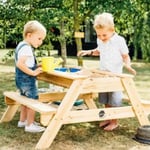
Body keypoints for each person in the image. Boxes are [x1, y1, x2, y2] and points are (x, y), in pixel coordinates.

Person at [78, 12, 136, 131]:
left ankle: (114, 122)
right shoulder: (100, 40)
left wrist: (128, 66)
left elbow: (125, 56)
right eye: (99, 35)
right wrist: (88, 52)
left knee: (114, 99)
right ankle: (107, 117)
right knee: (105, 97)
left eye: (104, 35)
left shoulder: (119, 40)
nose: (101, 38)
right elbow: (99, 51)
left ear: (112, 29)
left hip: (115, 75)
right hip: (103, 74)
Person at [15, 20, 46, 133]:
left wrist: (37, 65)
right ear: (29, 35)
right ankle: (30, 124)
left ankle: (23, 120)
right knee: (32, 100)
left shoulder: (21, 45)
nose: (41, 42)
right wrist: (33, 73)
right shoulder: (27, 48)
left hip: (20, 80)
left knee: (25, 100)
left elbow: (26, 63)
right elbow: (20, 64)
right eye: (39, 38)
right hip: (27, 80)